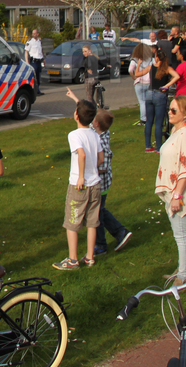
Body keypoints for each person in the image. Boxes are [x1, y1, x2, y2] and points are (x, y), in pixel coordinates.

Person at [53, 95, 102, 271]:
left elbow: (81, 154)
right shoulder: (95, 135)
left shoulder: (74, 135)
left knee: (72, 223)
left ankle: (73, 260)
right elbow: (100, 157)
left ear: (76, 116)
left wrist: (81, 175)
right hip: (95, 184)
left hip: (79, 185)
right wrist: (91, 170)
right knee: (92, 222)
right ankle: (89, 257)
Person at [155, 95, 186, 283]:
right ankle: (182, 269)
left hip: (178, 192)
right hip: (173, 190)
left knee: (182, 235)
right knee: (178, 234)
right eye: (169, 109)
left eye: (174, 110)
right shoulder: (176, 130)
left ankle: (184, 276)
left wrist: (177, 195)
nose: (169, 113)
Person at [92, 109, 132, 256]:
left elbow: (103, 166)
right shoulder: (101, 132)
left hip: (101, 184)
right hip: (102, 183)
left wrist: (89, 167)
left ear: (96, 123)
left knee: (96, 215)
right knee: (99, 210)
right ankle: (120, 232)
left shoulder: (101, 141)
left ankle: (101, 245)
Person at [145, 48, 179, 152]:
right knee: (159, 122)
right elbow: (177, 76)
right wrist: (166, 86)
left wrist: (138, 65)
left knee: (149, 121)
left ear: (157, 57)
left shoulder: (151, 67)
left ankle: (148, 146)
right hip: (160, 94)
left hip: (150, 93)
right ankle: (159, 147)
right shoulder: (166, 68)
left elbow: (137, 74)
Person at [129, 43, 154, 126]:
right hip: (149, 82)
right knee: (149, 101)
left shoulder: (135, 59)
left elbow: (130, 70)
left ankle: (143, 119)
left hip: (139, 82)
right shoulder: (151, 59)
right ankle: (150, 117)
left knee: (142, 102)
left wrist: (134, 77)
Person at [25, 29, 45, 96]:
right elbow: (26, 52)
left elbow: (41, 51)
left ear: (38, 34)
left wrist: (43, 59)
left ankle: (38, 90)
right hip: (34, 61)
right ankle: (34, 91)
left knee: (38, 76)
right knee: (34, 76)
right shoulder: (29, 42)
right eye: (33, 33)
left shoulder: (39, 42)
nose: (34, 35)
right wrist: (27, 62)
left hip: (39, 61)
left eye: (35, 33)